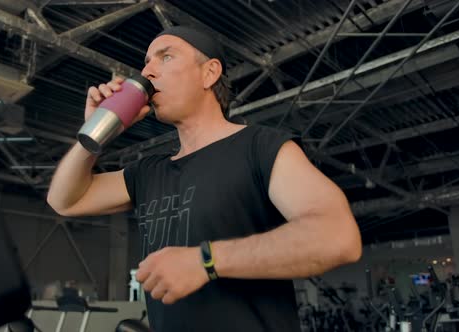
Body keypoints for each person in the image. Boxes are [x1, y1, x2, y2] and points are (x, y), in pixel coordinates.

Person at [47, 26, 362, 332]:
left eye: (166, 57)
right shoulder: (149, 172)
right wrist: (96, 132)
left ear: (209, 73)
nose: (148, 72)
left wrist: (206, 261)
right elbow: (65, 200)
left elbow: (338, 237)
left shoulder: (260, 147)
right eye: (146, 63)